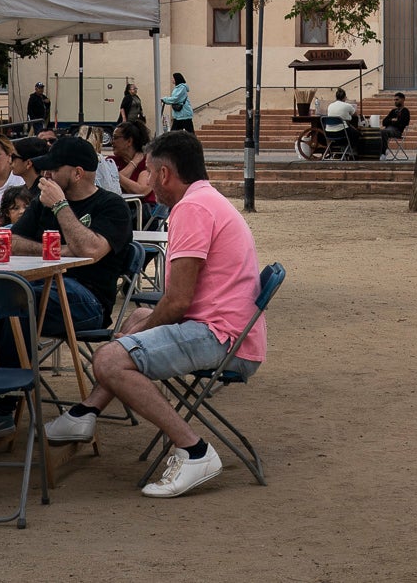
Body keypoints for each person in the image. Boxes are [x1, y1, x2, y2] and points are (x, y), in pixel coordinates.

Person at [43, 131, 263, 497]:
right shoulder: (206, 200)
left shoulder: (192, 210)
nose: (148, 182)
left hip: (222, 338)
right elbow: (178, 303)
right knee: (134, 319)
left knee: (110, 359)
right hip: (230, 331)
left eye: (152, 171)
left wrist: (130, 341)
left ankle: (194, 451)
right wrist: (140, 327)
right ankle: (85, 414)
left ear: (163, 174)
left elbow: (177, 303)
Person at [0, 137, 134, 435]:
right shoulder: (41, 205)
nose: (46, 175)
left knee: (18, 298)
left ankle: (3, 406)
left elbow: (92, 251)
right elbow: (11, 240)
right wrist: (60, 248)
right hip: (40, 287)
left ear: (78, 173)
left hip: (87, 300)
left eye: (54, 169)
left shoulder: (111, 206)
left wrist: (61, 207)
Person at [112, 120, 159, 214]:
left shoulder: (147, 162)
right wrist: (133, 163)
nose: (112, 142)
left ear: (129, 141)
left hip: (142, 212)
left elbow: (141, 190)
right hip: (118, 208)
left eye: (115, 138)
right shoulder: (111, 161)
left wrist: (112, 174)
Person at [322, 88, 360, 157]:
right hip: (341, 131)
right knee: (356, 134)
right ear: (344, 97)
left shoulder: (330, 106)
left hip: (328, 132)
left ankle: (341, 151)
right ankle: (352, 153)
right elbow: (355, 114)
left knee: (348, 133)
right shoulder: (347, 106)